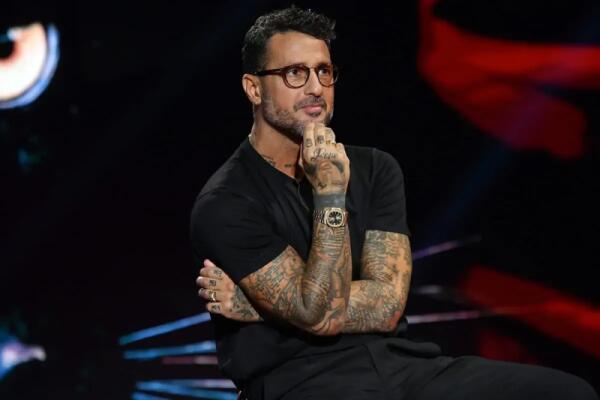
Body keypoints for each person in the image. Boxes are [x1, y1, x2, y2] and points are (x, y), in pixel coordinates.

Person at [190, 6, 598, 400]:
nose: (316, 87)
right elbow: (321, 316)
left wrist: (261, 307)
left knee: (566, 392)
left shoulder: (375, 168)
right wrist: (330, 193)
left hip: (397, 365)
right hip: (300, 380)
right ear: (254, 88)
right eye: (295, 73)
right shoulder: (226, 201)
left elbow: (386, 305)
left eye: (324, 71)